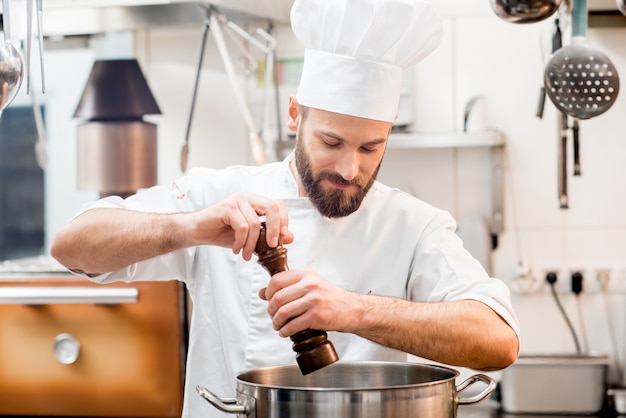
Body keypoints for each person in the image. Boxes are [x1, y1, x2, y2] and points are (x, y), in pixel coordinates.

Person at [51, 0, 520, 416]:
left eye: (371, 147)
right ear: (295, 115)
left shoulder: (414, 225)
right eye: (331, 141)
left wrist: (354, 311)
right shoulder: (221, 195)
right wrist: (190, 227)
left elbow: (498, 340)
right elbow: (71, 246)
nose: (350, 168)